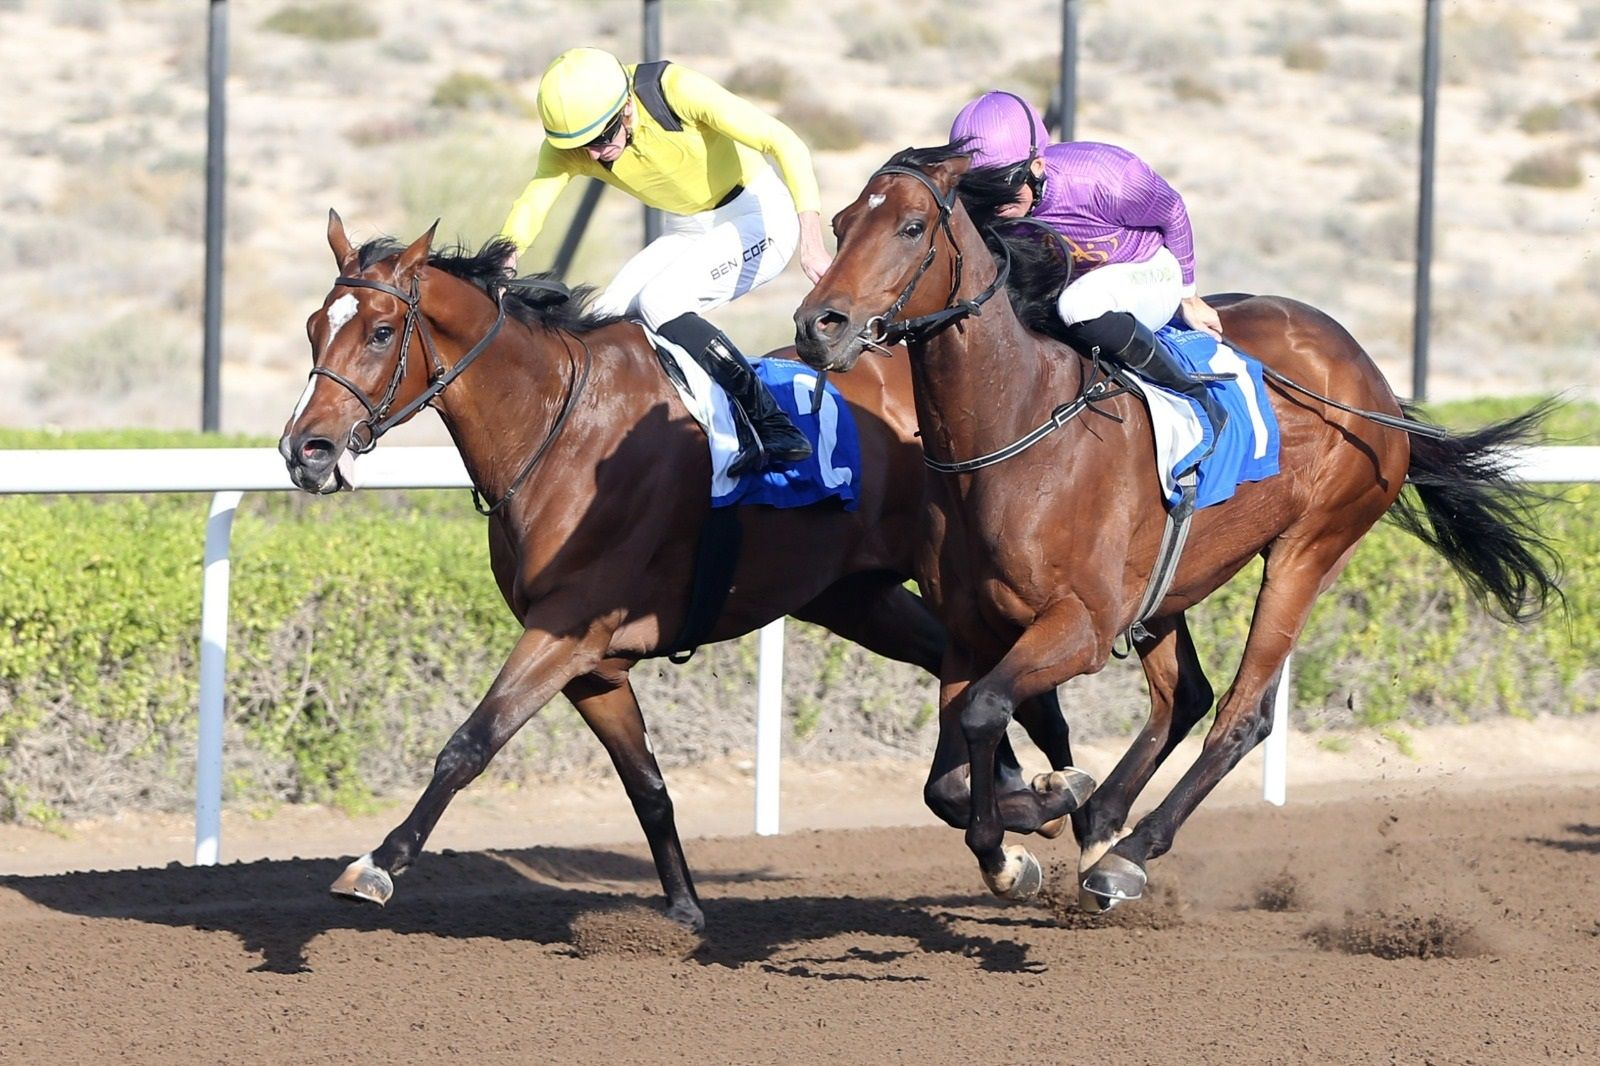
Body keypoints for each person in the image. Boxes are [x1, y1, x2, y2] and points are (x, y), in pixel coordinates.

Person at [499, 47, 832, 475]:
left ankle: (770, 423)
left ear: (625, 108)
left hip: (760, 215)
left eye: (601, 139)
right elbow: (532, 204)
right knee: (605, 320)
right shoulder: (575, 145)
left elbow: (783, 141)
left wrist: (812, 241)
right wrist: (504, 263)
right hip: (689, 228)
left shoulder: (674, 90)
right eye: (581, 146)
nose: (596, 155)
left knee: (662, 301)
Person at [949, 90, 1228, 436]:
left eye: (1003, 184)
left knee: (1077, 304)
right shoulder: (994, 202)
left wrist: (1189, 296)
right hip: (1074, 278)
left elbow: (1172, 212)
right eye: (979, 188)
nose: (997, 202)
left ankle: (1192, 395)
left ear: (1037, 167)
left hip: (1145, 268)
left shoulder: (1110, 179)